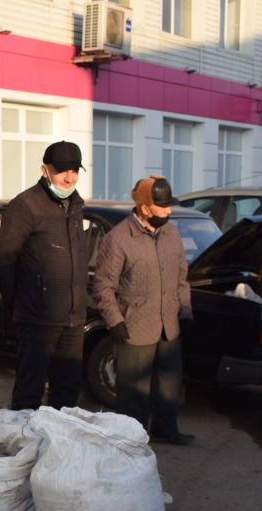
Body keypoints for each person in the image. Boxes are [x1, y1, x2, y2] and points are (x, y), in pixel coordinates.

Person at [91, 175, 194, 445]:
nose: (169, 211)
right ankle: (132, 441)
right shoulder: (118, 239)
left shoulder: (171, 233)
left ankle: (166, 430)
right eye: (163, 206)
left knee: (169, 384)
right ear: (146, 208)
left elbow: (182, 275)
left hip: (168, 326)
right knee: (134, 392)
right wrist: (115, 320)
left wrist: (185, 309)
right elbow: (102, 286)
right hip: (134, 327)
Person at [0, 141, 90, 410]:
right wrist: (22, 300)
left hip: (73, 320)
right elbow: (1, 261)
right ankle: (25, 448)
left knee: (67, 395)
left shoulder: (76, 205)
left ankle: (59, 449)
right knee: (28, 394)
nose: (69, 178)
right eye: (61, 171)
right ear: (44, 170)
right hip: (37, 322)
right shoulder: (25, 206)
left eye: (74, 171)